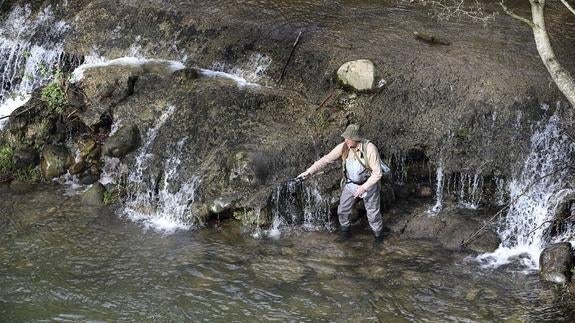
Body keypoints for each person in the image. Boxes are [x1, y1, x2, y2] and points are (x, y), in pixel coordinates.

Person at [297, 124, 384, 241]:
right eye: (345, 137)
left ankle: (378, 238)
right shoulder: (344, 147)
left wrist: (364, 187)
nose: (346, 140)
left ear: (356, 139)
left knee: (373, 215)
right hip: (351, 184)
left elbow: (378, 173)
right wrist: (308, 172)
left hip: (369, 185)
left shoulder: (369, 148)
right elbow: (325, 160)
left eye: (349, 138)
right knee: (342, 211)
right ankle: (345, 233)